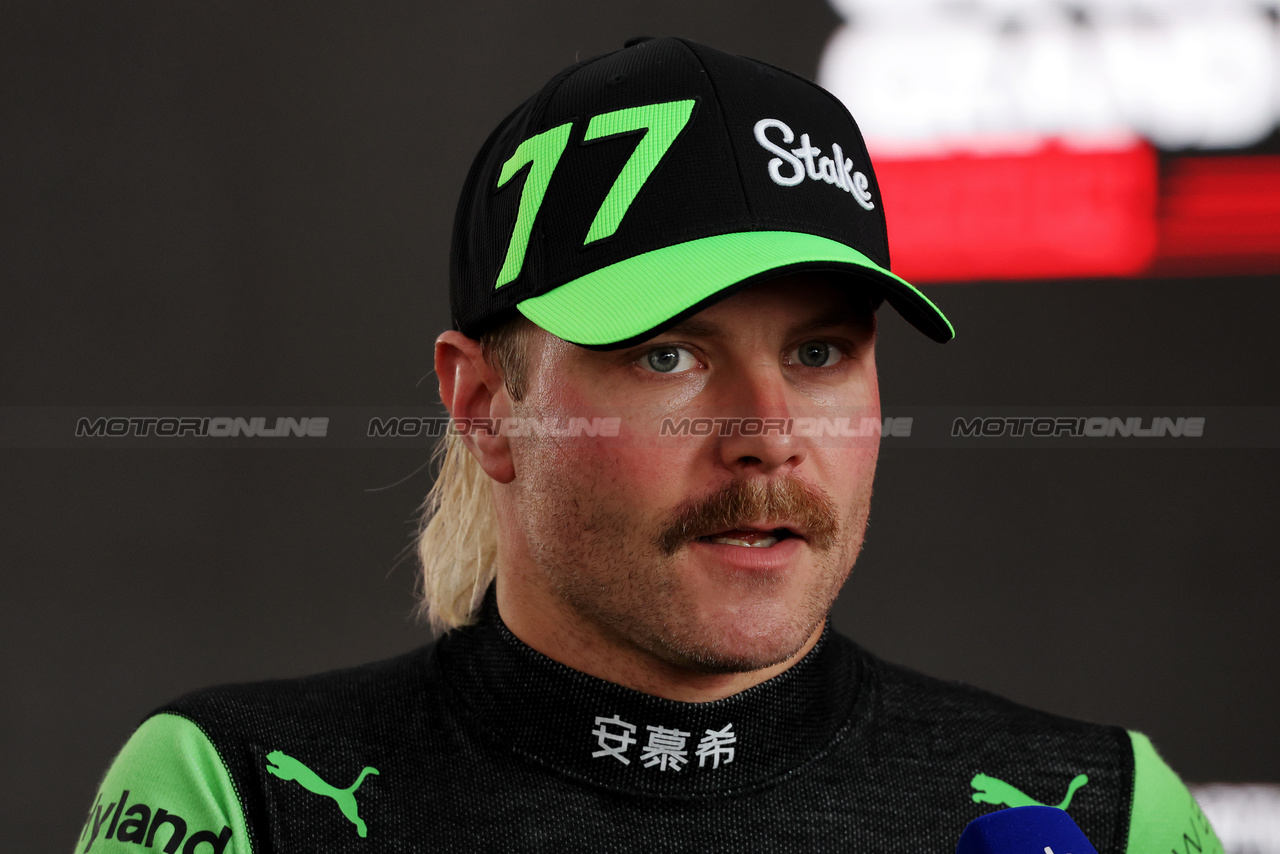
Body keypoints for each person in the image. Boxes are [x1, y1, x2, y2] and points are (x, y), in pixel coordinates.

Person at [75, 36, 1219, 854]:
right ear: (485, 404)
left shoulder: (1101, 810)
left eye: (819, 353)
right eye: (667, 353)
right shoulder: (238, 794)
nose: (767, 434)